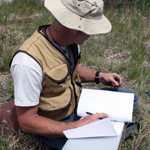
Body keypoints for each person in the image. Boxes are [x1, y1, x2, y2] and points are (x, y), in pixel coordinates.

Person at [10, 0, 138, 149]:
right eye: (91, 29)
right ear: (74, 28)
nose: (92, 35)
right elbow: (27, 121)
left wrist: (99, 76)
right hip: (55, 122)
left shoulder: (69, 41)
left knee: (130, 97)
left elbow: (69, 70)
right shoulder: (27, 62)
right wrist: (77, 127)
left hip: (78, 103)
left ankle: (104, 132)